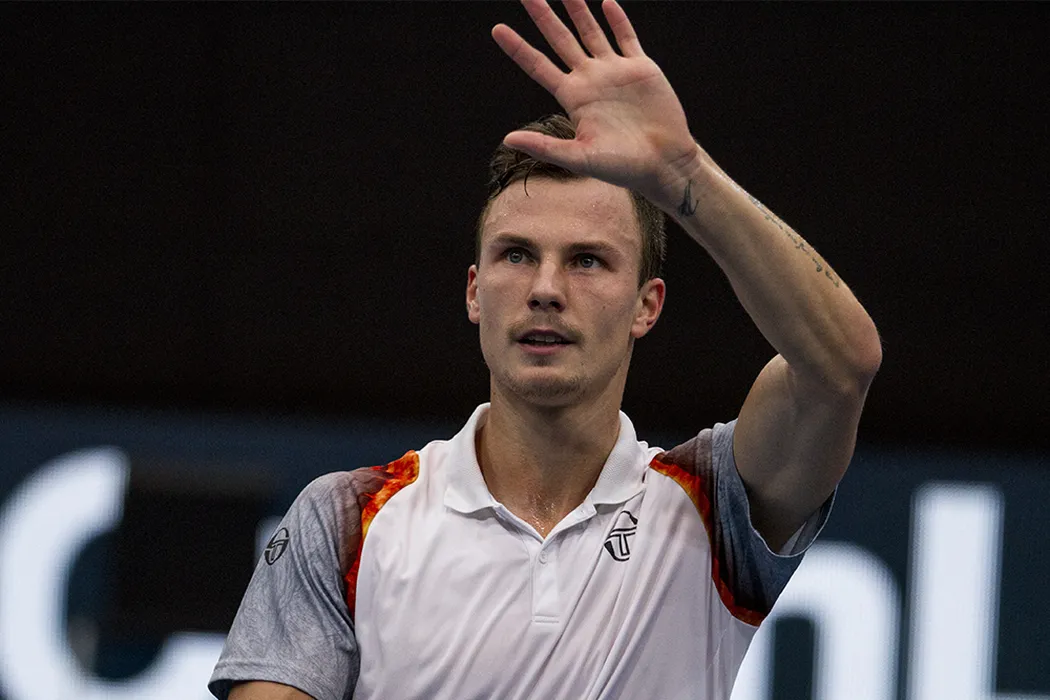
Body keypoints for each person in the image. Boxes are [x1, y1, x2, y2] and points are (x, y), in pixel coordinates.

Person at [209, 0, 881, 698]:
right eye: (517, 255)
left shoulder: (712, 507)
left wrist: (685, 173)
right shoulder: (347, 518)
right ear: (475, 292)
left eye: (587, 260)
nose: (546, 289)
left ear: (646, 305)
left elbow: (840, 367)